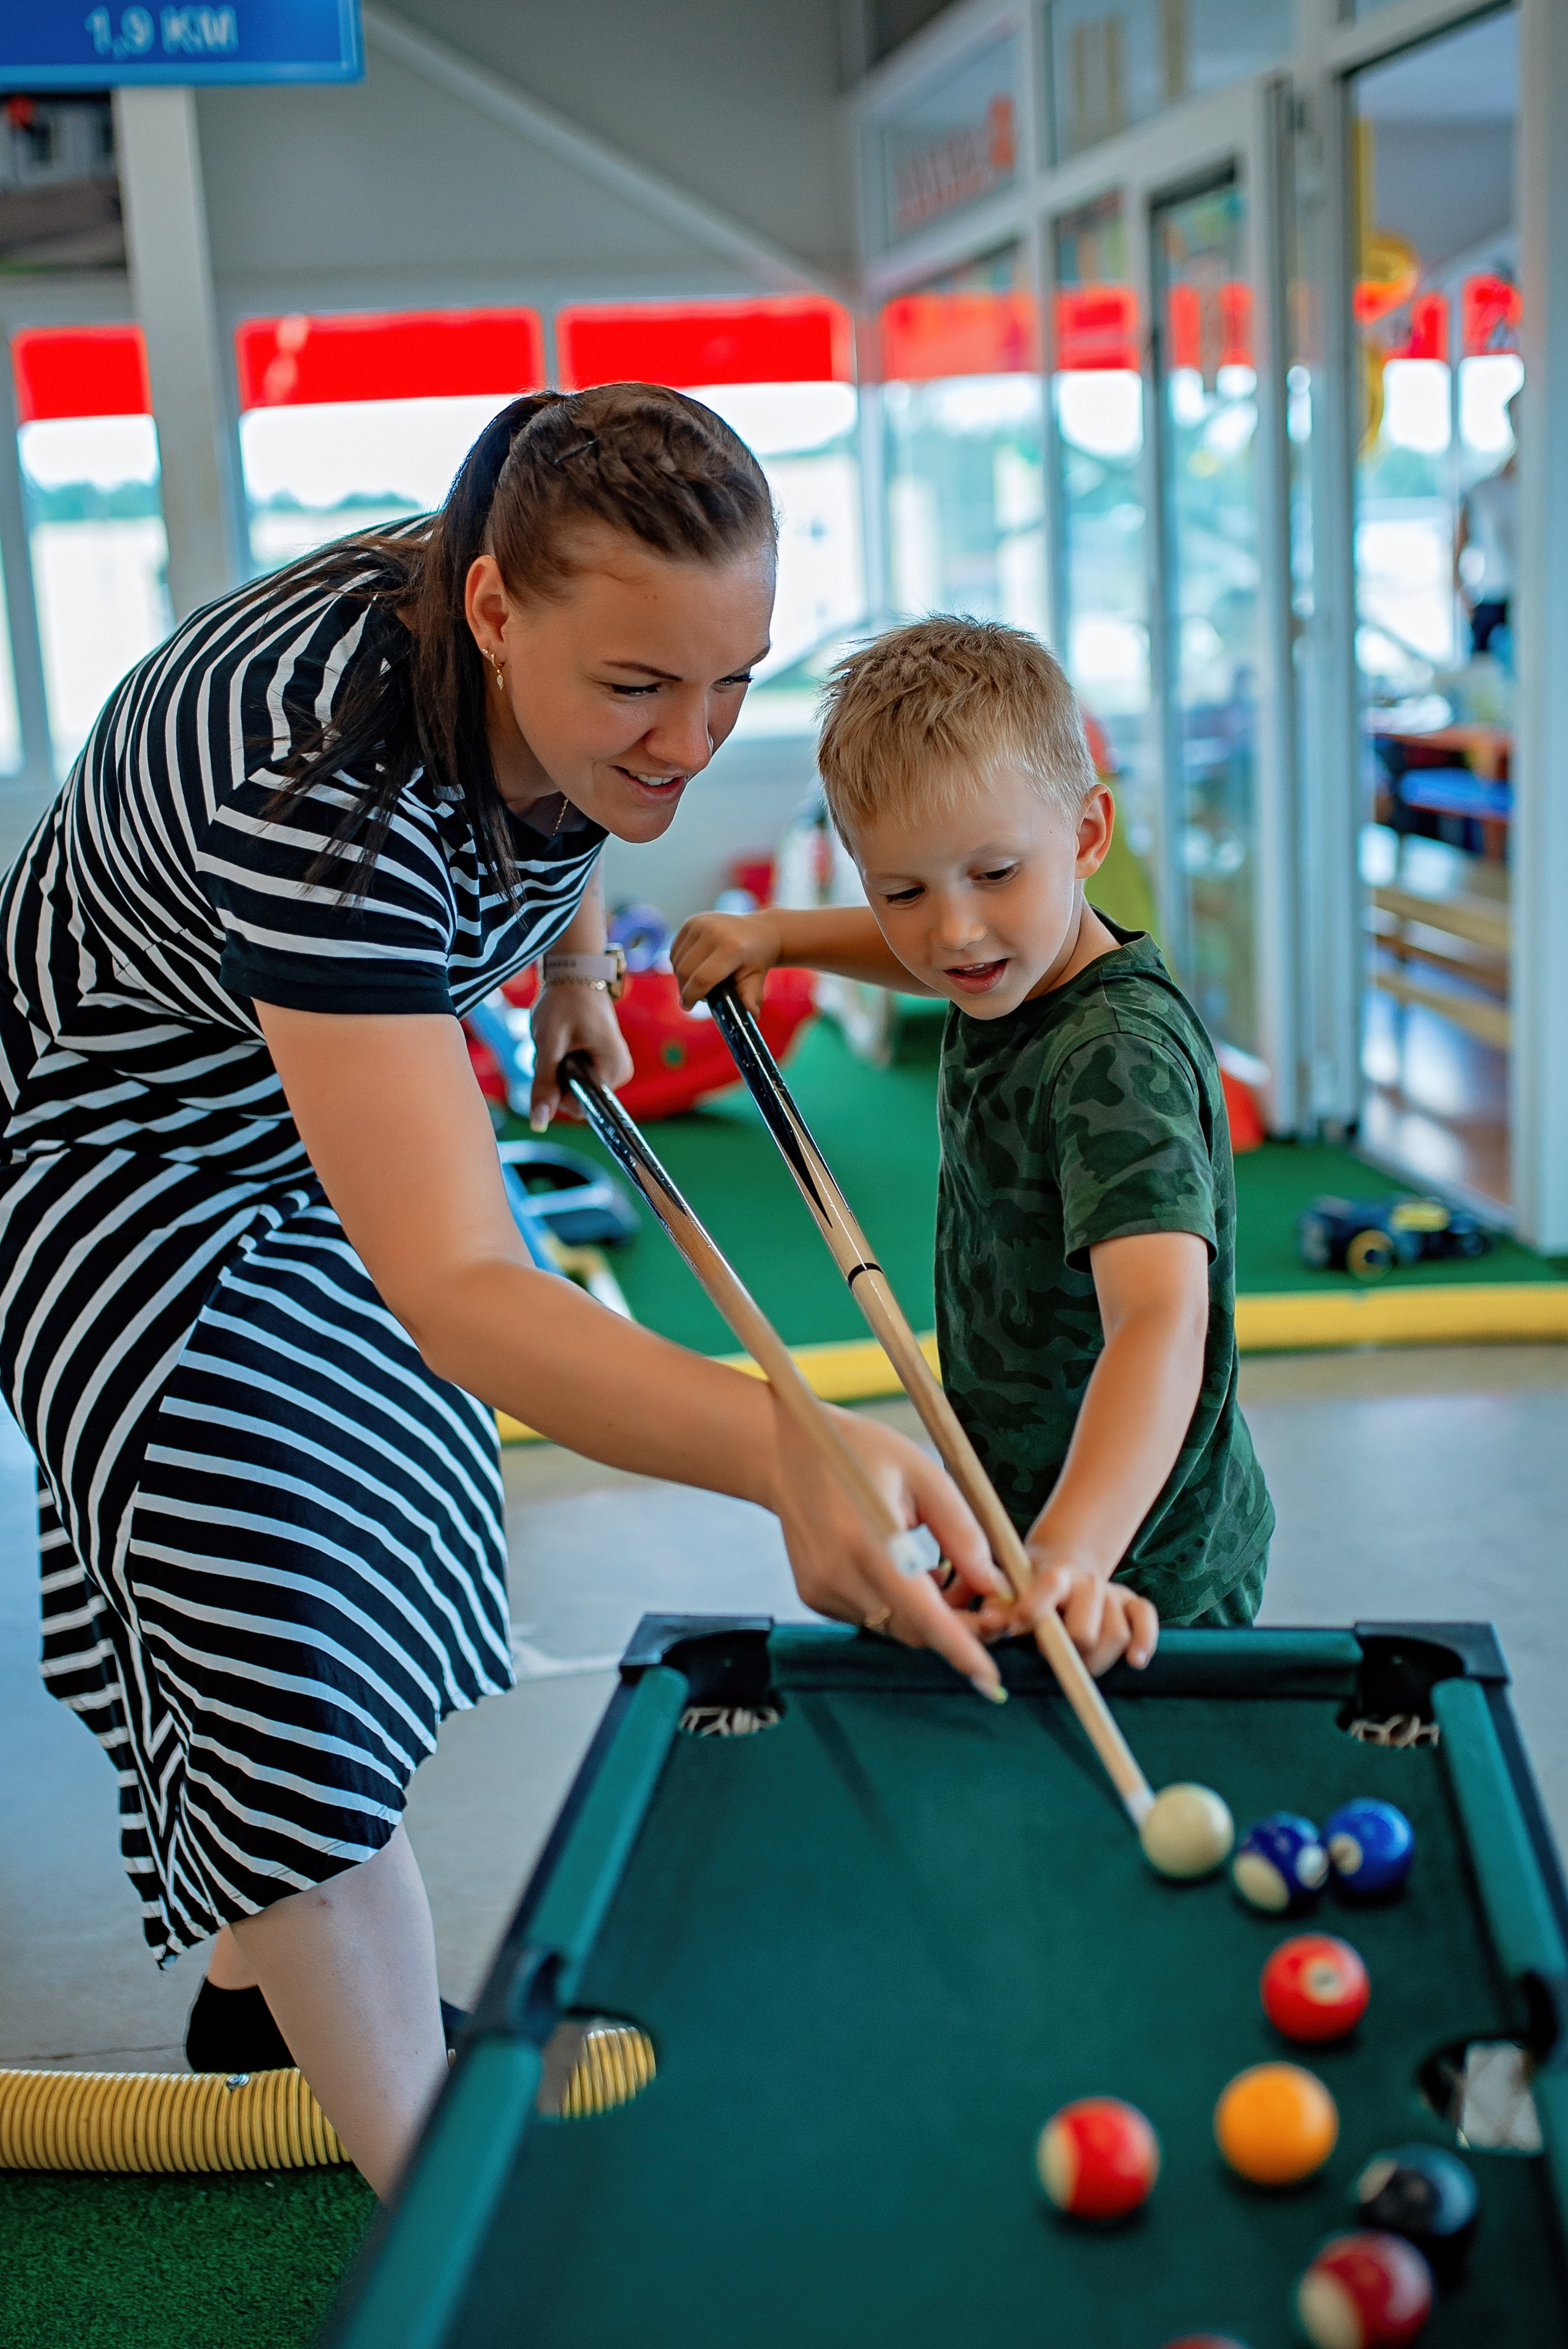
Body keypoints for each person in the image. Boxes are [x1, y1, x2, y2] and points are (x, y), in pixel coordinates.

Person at [0, 389, 1012, 2198]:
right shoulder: (316, 785)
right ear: (490, 613)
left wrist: (577, 970)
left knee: (394, 1530)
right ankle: (436, 2201)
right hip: (103, 1154)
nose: (691, 744)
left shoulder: (567, 671)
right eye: (644, 687)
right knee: (269, 1608)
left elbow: (576, 797)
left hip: (307, 1105)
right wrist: (792, 1441)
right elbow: (463, 1290)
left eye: (735, 681)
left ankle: (260, 1995)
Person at [673, 617, 1274, 1672]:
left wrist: (1079, 1551)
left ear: (1089, 837)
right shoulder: (1017, 957)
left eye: (994, 874)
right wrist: (779, 933)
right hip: (1025, 1514)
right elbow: (945, 945)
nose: (953, 932)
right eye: (902, 891)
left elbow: (1161, 1320)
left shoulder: (1114, 1057)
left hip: (1138, 1567)